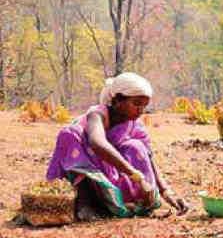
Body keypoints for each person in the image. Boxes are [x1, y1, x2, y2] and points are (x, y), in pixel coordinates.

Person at [45, 73, 189, 220]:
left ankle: (126, 202)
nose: (140, 110)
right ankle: (85, 204)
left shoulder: (135, 126)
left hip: (115, 175)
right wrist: (136, 176)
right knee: (70, 134)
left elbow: (150, 160)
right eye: (136, 104)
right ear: (117, 100)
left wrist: (167, 192)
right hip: (88, 171)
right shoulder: (97, 115)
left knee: (136, 146)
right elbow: (97, 143)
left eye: (144, 106)